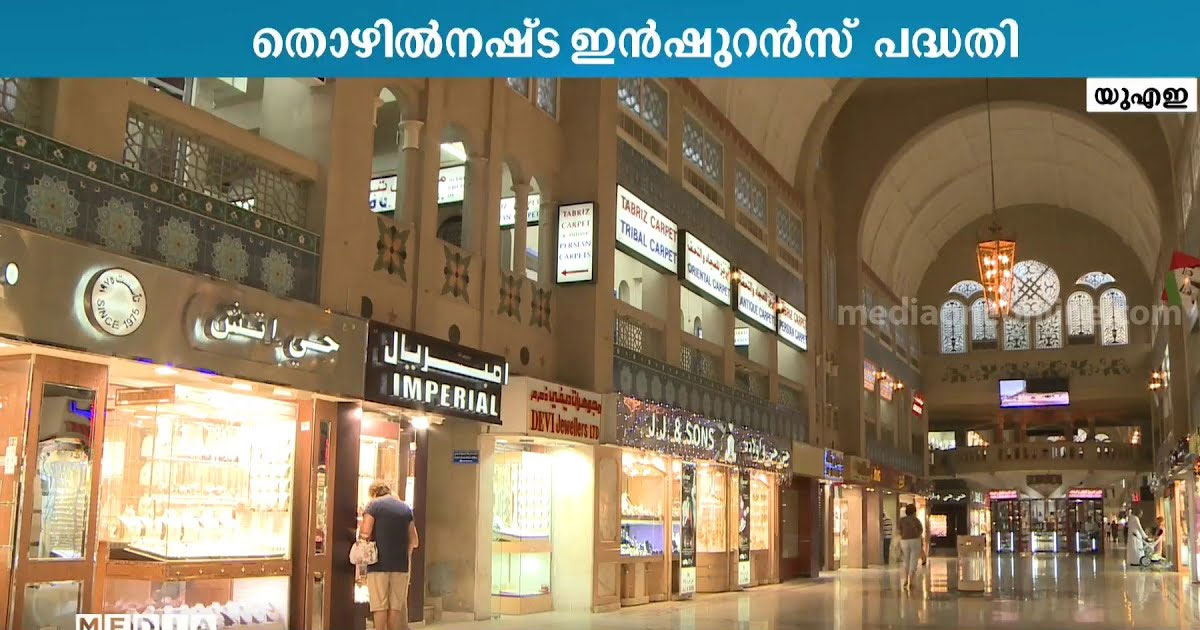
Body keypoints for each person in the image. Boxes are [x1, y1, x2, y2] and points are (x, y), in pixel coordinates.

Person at [359, 481, 419, 630]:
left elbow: (365, 532)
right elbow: (415, 541)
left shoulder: (373, 506)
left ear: (374, 494)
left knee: (380, 605)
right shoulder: (405, 508)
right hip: (401, 566)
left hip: (378, 565)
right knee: (395, 606)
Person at [897, 504, 925, 589]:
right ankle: (911, 580)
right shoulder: (916, 520)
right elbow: (921, 530)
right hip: (915, 540)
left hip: (904, 541)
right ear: (914, 512)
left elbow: (899, 530)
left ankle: (906, 578)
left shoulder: (902, 520)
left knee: (906, 559)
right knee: (913, 560)